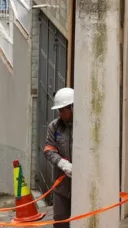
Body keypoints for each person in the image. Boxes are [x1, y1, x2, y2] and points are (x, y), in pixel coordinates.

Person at [43, 87, 74, 227]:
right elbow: (49, 149)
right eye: (59, 110)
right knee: (60, 221)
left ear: (72, 107)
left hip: (80, 186)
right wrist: (61, 163)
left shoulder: (84, 126)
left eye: (63, 110)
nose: (61, 113)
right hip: (61, 186)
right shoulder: (54, 127)